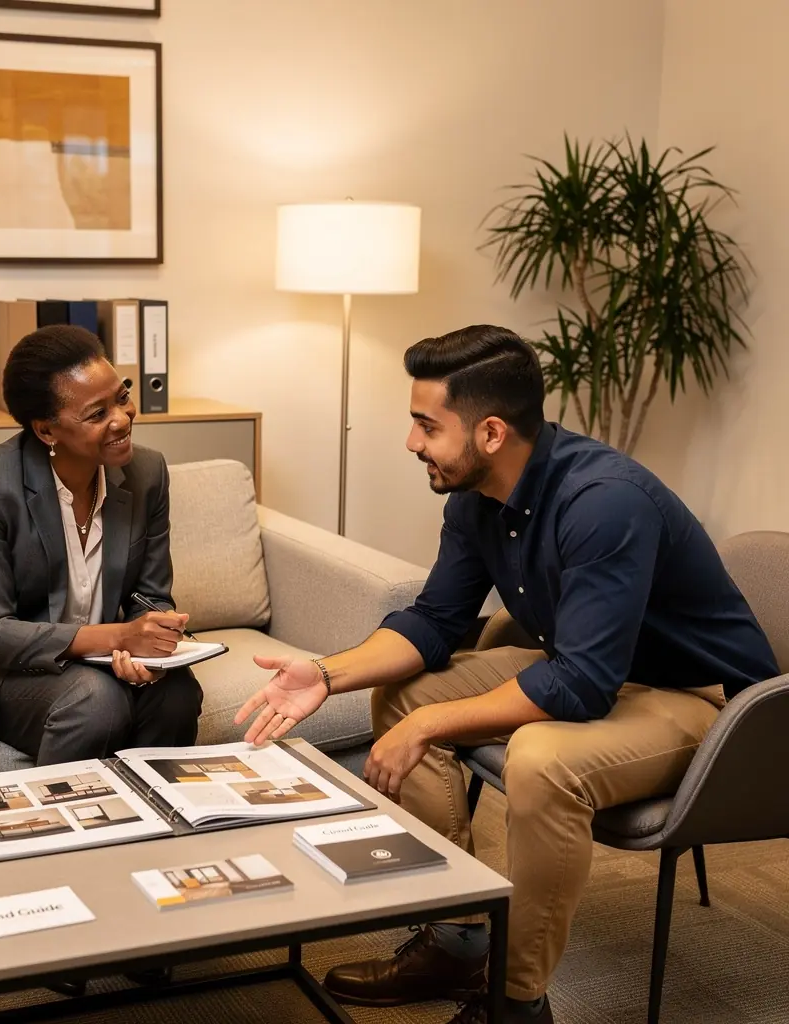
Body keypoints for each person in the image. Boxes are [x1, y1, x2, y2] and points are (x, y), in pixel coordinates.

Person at [234, 325, 778, 1024]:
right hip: (593, 668)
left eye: (425, 425)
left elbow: (580, 685)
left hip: (699, 700)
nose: (411, 443)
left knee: (543, 762)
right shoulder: (474, 495)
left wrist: (434, 725)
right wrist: (326, 674)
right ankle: (458, 941)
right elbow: (434, 620)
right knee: (404, 696)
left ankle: (516, 1004)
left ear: (490, 432)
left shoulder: (603, 501)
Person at [0, 324, 203, 765]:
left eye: (121, 398)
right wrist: (114, 636)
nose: (122, 419)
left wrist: (145, 640)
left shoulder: (147, 473)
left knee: (176, 693)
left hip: (95, 664)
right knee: (95, 700)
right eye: (96, 414)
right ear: (47, 431)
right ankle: (62, 825)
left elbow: (148, 594)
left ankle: (152, 821)